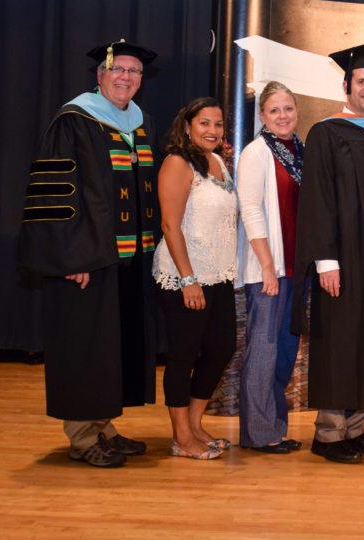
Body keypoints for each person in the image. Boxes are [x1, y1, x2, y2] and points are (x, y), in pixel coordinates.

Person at [17, 39, 159, 468]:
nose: (126, 78)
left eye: (134, 72)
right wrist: (72, 258)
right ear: (99, 76)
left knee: (110, 346)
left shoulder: (137, 122)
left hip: (126, 258)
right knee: (85, 345)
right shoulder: (75, 120)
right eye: (118, 70)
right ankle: (82, 436)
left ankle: (104, 426)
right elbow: (57, 194)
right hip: (87, 259)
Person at [292, 41, 364, 464]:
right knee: (341, 342)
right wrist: (326, 260)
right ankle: (328, 434)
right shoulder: (326, 133)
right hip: (342, 262)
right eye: (362, 81)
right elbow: (318, 199)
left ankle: (356, 427)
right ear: (346, 85)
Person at [152, 97, 237, 460]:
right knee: (183, 355)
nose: (212, 131)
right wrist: (188, 279)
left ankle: (196, 424)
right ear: (187, 126)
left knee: (221, 348)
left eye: (218, 124)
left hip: (219, 274)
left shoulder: (218, 161)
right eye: (204, 123)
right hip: (184, 275)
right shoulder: (177, 162)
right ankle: (181, 437)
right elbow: (170, 225)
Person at [236, 81, 305, 454]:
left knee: (283, 354)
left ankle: (274, 428)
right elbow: (250, 210)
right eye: (274, 110)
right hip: (269, 270)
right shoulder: (256, 152)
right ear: (262, 115)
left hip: (295, 270)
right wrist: (265, 265)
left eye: (288, 109)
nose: (282, 116)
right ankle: (258, 434)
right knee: (262, 352)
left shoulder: (299, 151)